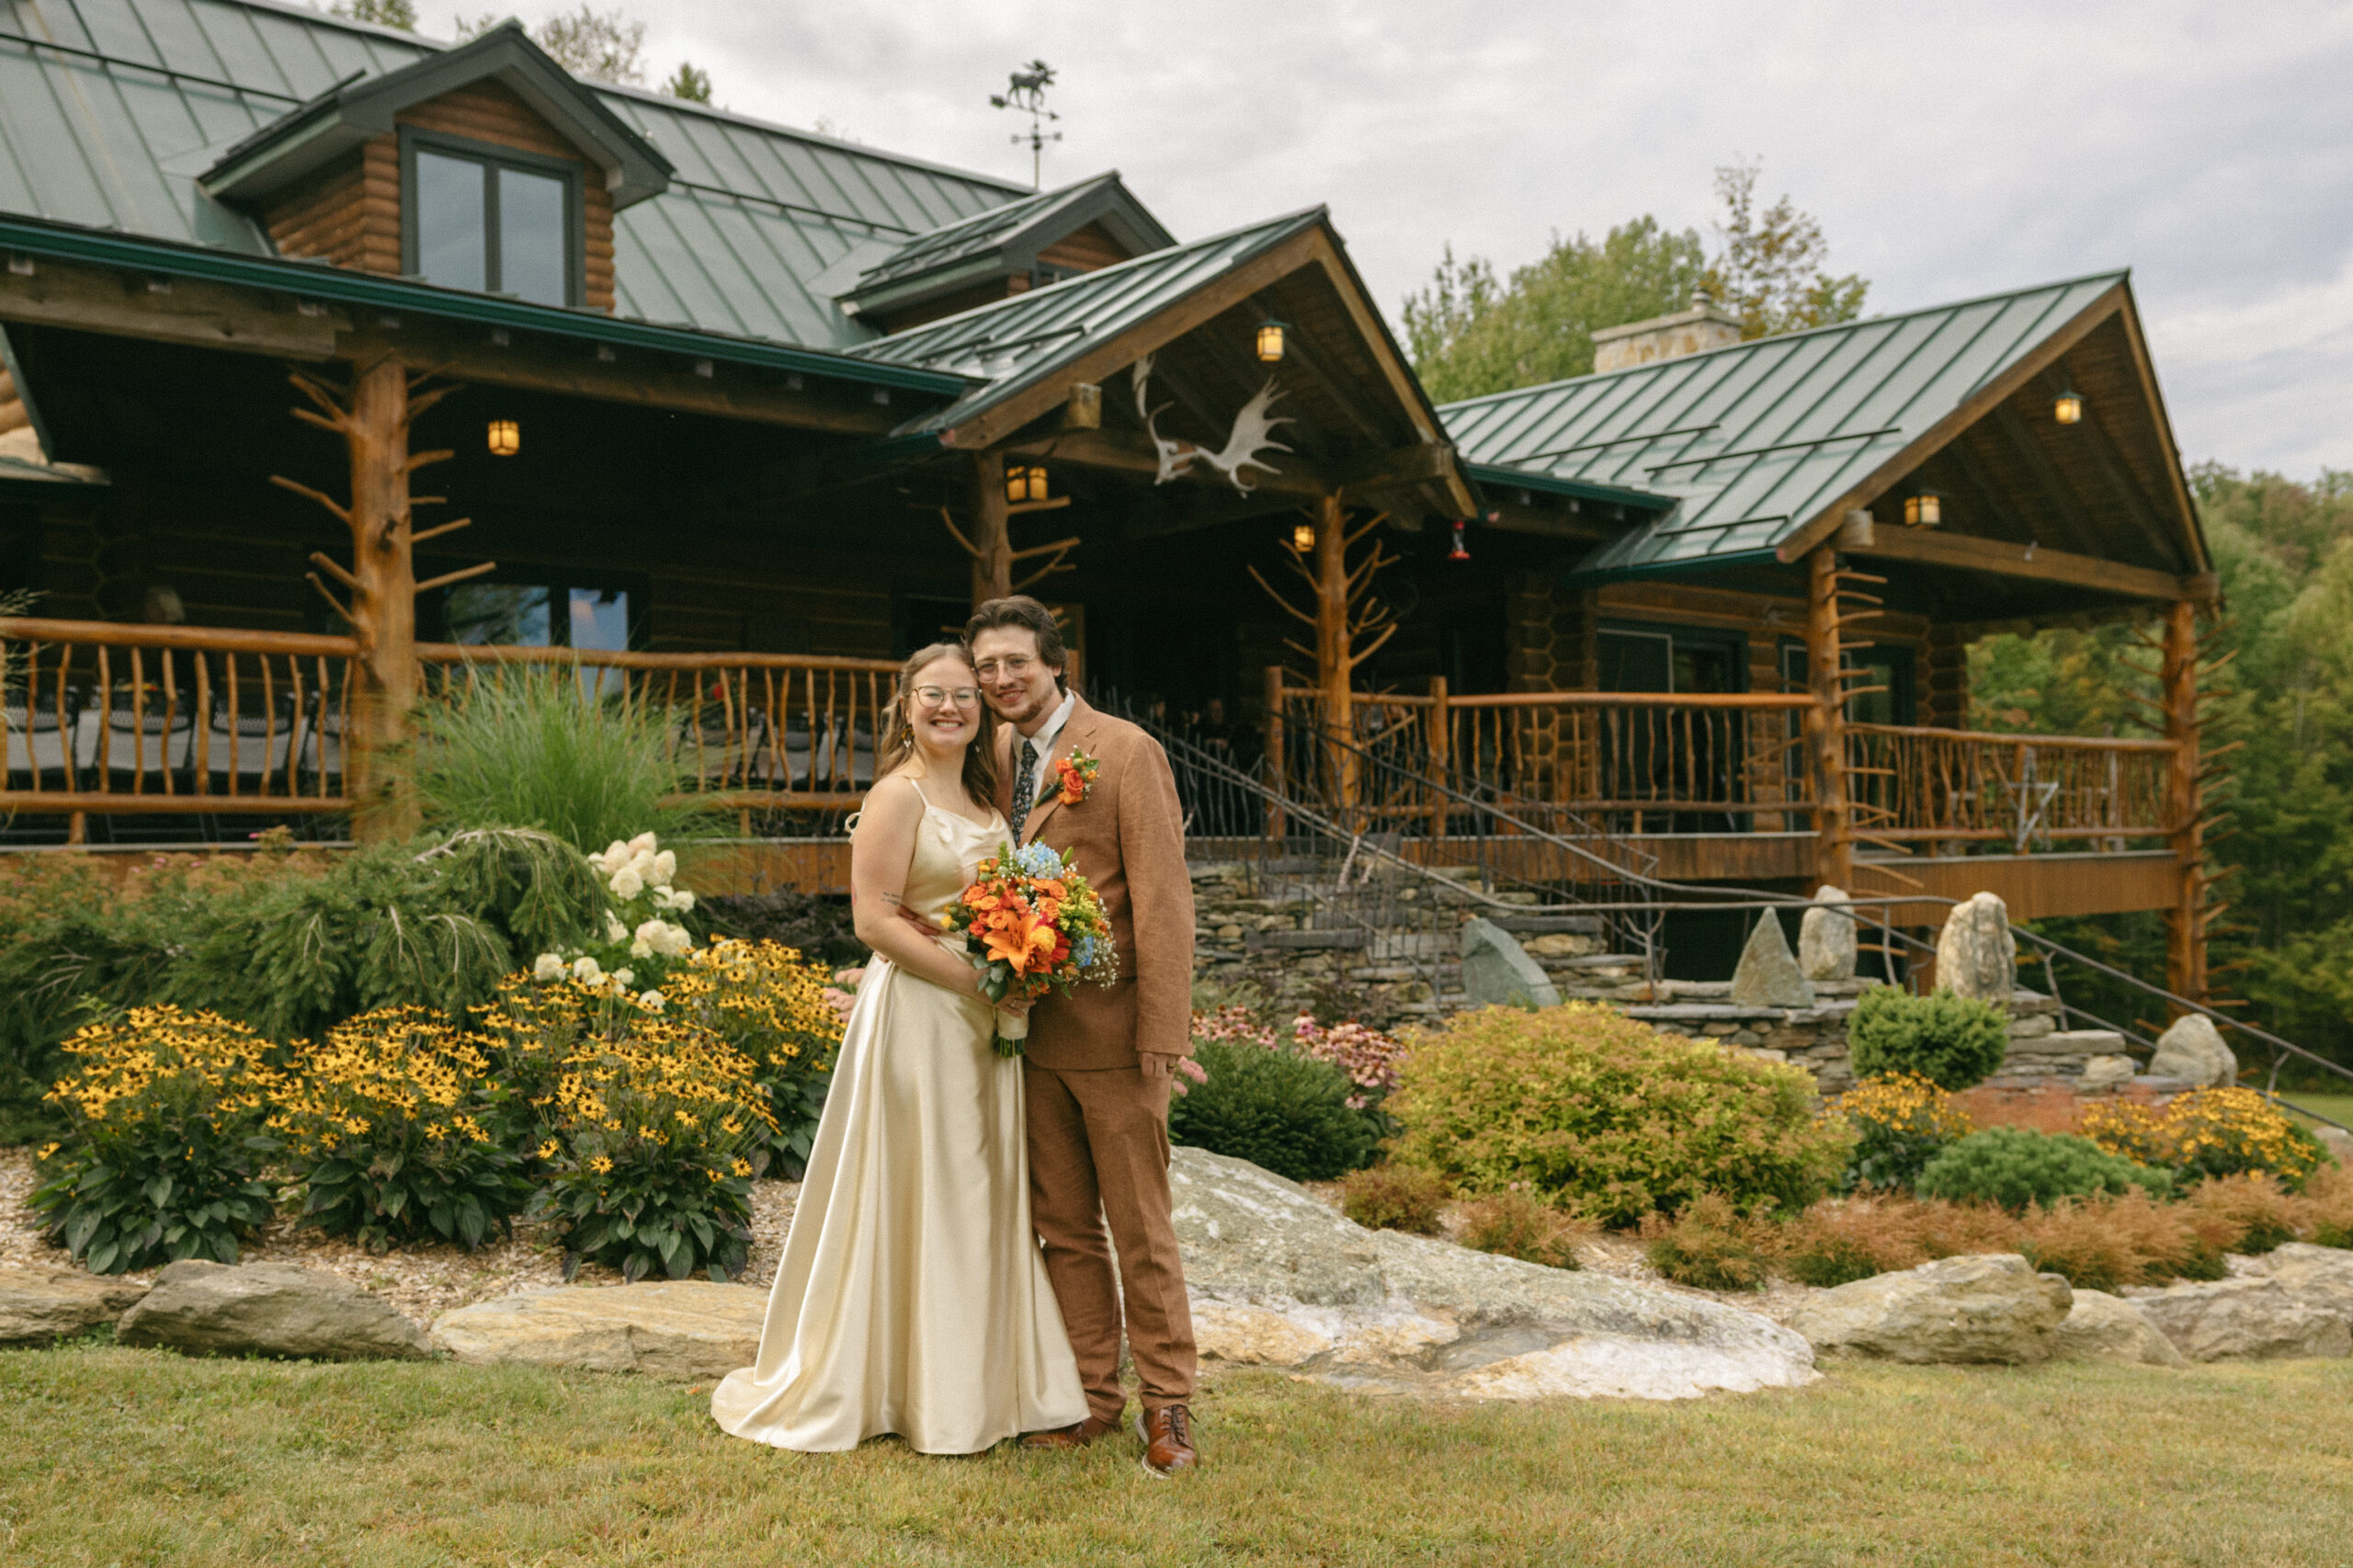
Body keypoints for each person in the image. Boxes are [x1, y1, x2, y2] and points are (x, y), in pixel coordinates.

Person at [710, 642, 1087, 1454]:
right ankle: (906, 1389)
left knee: (980, 1193)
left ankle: (978, 1385)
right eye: (933, 695)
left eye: (964, 695)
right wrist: (975, 978)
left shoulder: (987, 797)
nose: (950, 707)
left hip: (985, 1021)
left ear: (980, 709)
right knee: (932, 1187)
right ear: (905, 705)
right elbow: (875, 921)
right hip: (922, 1016)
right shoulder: (896, 795)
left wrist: (1022, 954)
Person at [966, 596, 1201, 1478]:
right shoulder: (996, 754)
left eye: (1014, 663)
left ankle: (1169, 1410)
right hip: (1029, 1038)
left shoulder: (1125, 750)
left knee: (1142, 1230)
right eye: (986, 667)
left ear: (1054, 663)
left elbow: (1163, 896)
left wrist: (1164, 1031)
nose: (999, 681)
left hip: (1116, 1034)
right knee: (1063, 1229)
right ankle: (1090, 1400)